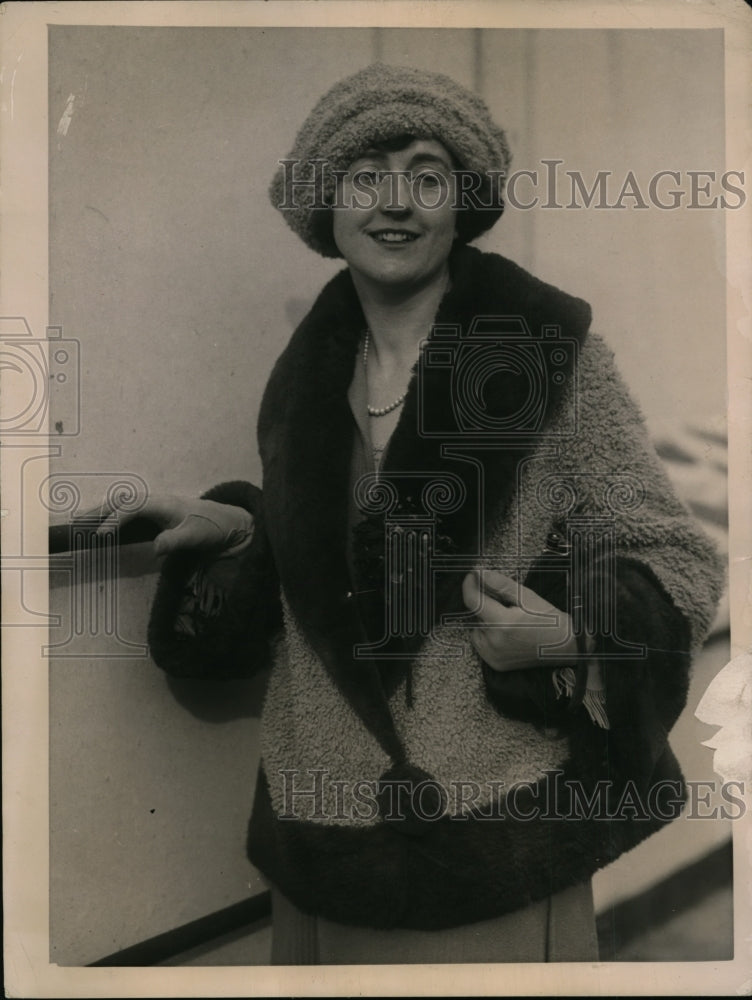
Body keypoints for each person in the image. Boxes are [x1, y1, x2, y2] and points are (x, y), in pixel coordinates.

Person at [99, 64, 724, 963]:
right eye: (365, 177)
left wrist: (568, 637)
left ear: (462, 200)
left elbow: (679, 560)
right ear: (326, 204)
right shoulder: (306, 372)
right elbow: (344, 561)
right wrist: (236, 529)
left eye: (427, 175)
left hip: (494, 834)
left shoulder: (550, 359)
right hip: (323, 823)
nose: (397, 204)